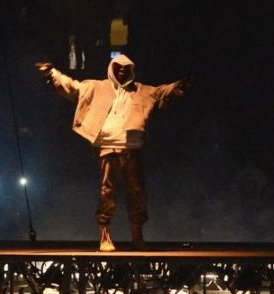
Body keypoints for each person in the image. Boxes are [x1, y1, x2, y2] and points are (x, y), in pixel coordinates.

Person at [36, 54, 190, 251]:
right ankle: (104, 236)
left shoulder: (141, 91)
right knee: (107, 191)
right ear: (112, 68)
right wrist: (52, 73)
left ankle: (137, 235)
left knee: (137, 192)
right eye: (118, 67)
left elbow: (163, 92)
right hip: (107, 146)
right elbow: (72, 87)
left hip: (132, 147)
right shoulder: (96, 87)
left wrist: (181, 85)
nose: (122, 71)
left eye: (126, 68)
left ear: (131, 71)